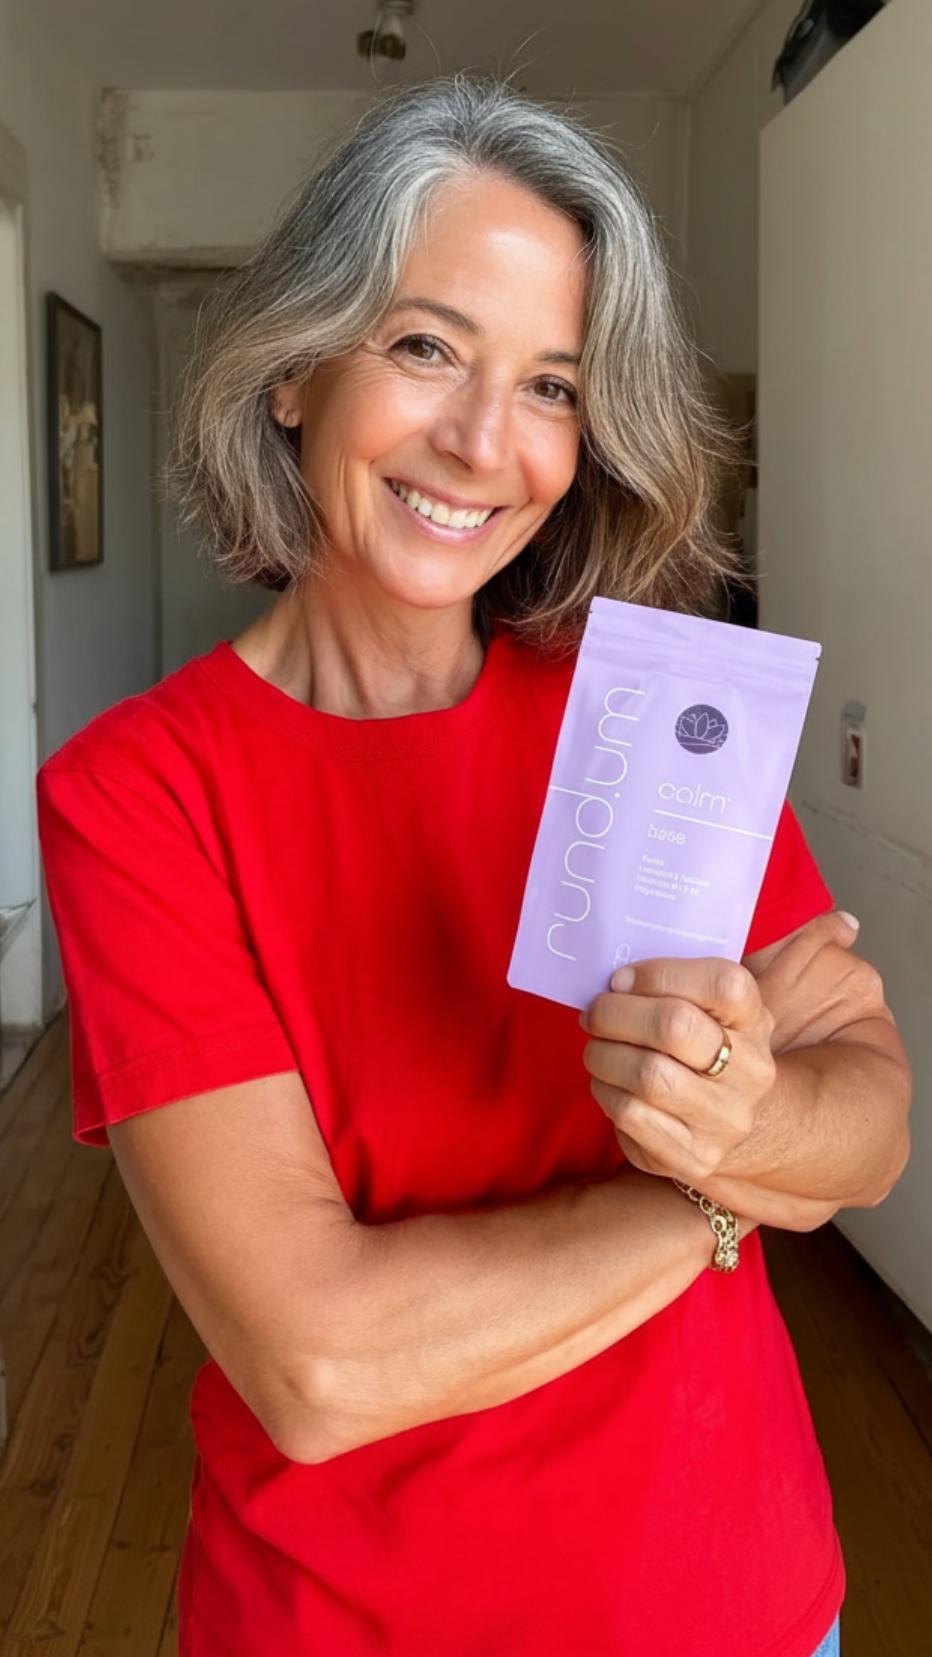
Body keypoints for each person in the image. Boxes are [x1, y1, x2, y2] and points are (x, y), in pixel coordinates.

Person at [36, 74, 910, 1657]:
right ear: (295, 368)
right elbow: (319, 1363)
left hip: (741, 1602)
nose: (483, 442)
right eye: (427, 346)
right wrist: (714, 1188)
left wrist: (770, 1114)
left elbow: (871, 1118)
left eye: (552, 384)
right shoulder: (138, 794)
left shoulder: (645, 710)